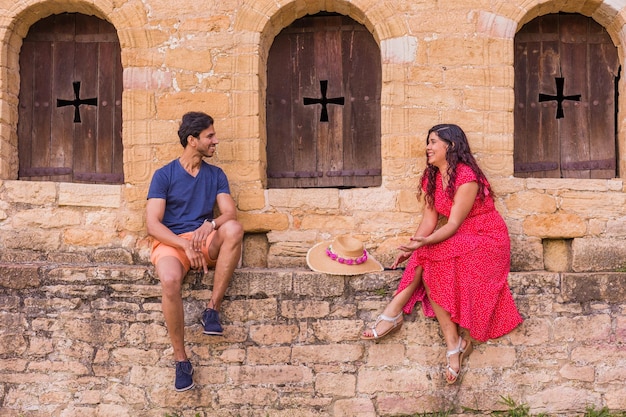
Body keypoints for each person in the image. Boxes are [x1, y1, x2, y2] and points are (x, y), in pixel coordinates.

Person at [361, 124, 523, 384]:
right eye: (429, 142)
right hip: (460, 237)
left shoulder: (466, 176)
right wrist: (413, 244)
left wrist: (422, 244)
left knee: (429, 253)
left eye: (434, 142)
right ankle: (454, 344)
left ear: (452, 146)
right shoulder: (433, 178)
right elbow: (429, 220)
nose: (428, 147)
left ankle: (392, 314)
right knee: (428, 259)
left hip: (486, 237)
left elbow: (453, 224)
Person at [146, 111, 244, 392]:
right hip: (173, 242)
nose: (215, 141)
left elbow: (229, 213)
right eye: (209, 136)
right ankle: (181, 361)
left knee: (234, 229)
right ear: (192, 140)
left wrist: (210, 223)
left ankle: (212, 310)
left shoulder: (216, 174)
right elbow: (153, 224)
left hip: (205, 239)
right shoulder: (164, 175)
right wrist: (184, 244)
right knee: (170, 280)